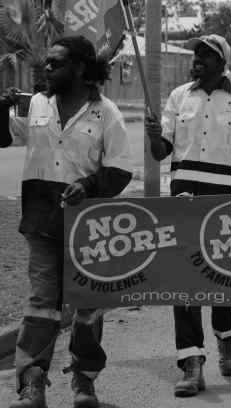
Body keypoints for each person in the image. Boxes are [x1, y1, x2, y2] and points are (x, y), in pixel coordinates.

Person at [0, 36, 133, 408]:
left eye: (55, 63)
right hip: (41, 220)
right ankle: (32, 384)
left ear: (79, 68)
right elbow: (4, 137)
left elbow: (121, 170)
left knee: (88, 307)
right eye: (47, 62)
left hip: (87, 228)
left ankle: (83, 381)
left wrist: (88, 185)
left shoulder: (106, 112)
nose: (46, 68)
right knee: (41, 304)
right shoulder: (38, 103)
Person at [145, 33, 231, 398]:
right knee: (184, 283)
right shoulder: (179, 97)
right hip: (184, 200)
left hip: (224, 201)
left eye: (207, 55)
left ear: (223, 63)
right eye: (196, 54)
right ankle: (192, 363)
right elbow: (162, 152)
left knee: (222, 282)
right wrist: (153, 136)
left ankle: (226, 338)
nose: (198, 60)